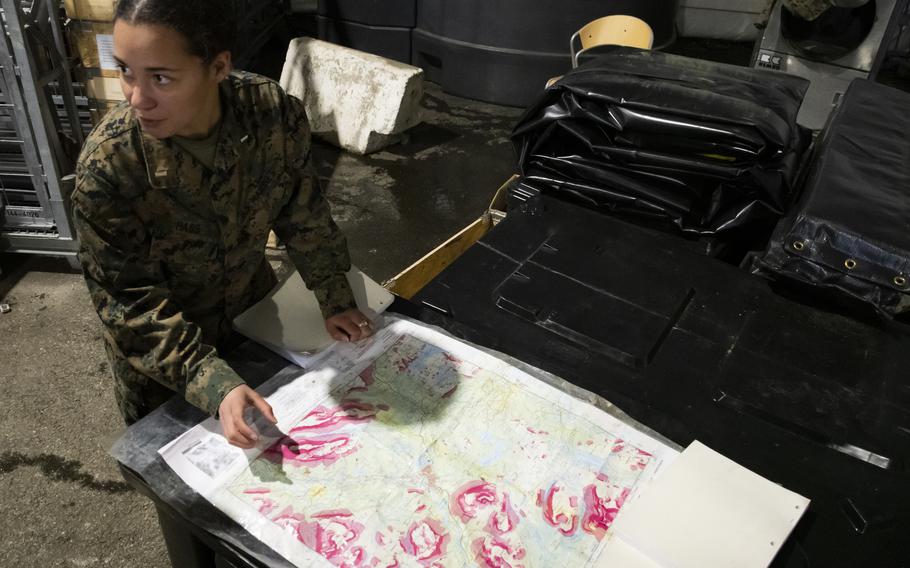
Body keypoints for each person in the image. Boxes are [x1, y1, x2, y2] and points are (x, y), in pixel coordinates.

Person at [72, 0, 372, 449]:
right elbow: (130, 305)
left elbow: (301, 210)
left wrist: (333, 293)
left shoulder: (270, 114)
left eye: (160, 77)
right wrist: (214, 384)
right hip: (166, 369)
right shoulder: (111, 169)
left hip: (255, 325)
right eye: (126, 71)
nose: (136, 98)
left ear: (217, 67)